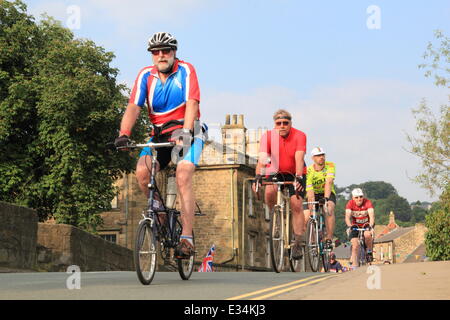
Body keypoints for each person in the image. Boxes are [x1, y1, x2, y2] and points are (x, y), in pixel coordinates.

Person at [114, 32, 205, 259]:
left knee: (183, 175)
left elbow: (192, 103)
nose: (161, 55)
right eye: (156, 52)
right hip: (159, 135)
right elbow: (133, 108)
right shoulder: (145, 75)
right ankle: (161, 215)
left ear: (174, 52)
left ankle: (186, 238)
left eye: (166, 51)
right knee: (142, 172)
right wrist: (124, 134)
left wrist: (184, 133)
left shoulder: (186, 70)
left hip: (189, 131)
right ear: (152, 55)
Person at [252, 109, 307, 259]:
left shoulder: (299, 135)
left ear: (290, 124)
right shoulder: (268, 137)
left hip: (295, 171)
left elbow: (299, 158)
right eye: (279, 123)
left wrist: (299, 177)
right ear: (274, 125)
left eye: (285, 123)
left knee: (296, 204)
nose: (282, 126)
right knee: (269, 191)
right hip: (275, 170)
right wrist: (258, 175)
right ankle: (275, 216)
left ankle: (297, 242)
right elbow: (262, 159)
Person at [304, 147, 336, 249]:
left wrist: (326, 198)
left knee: (328, 209)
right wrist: (312, 206)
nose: (321, 157)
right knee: (307, 216)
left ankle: (329, 239)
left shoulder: (330, 165)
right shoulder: (308, 170)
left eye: (323, 155)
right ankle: (312, 241)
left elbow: (329, 182)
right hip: (314, 194)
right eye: (318, 156)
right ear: (313, 158)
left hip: (327, 193)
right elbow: (309, 188)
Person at [345, 188, 375, 267]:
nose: (359, 199)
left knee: (367, 235)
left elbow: (372, 216)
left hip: (366, 225)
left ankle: (369, 252)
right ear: (353, 198)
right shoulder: (350, 203)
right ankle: (355, 265)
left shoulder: (367, 202)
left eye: (361, 196)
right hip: (355, 226)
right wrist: (349, 226)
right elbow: (347, 217)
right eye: (356, 197)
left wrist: (370, 226)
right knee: (355, 245)